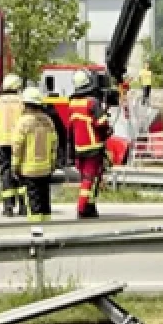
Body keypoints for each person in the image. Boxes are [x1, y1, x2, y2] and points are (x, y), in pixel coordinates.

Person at [68, 69, 110, 219]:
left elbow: (70, 129)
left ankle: (90, 207)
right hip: (94, 147)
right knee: (90, 179)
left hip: (79, 148)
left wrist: (70, 152)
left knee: (88, 179)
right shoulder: (92, 102)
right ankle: (81, 208)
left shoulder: (72, 103)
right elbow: (102, 123)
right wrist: (107, 128)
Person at [12, 87, 58, 223]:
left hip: (29, 170)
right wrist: (52, 164)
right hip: (45, 169)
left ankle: (36, 235)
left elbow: (17, 147)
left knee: (33, 205)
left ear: (25, 104)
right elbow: (54, 145)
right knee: (45, 202)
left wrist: (15, 166)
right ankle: (47, 232)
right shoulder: (48, 121)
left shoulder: (22, 122)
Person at [0, 73, 26, 217]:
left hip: (2, 142)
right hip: (19, 142)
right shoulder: (22, 101)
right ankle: (23, 206)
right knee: (22, 172)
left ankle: (8, 207)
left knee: (6, 172)